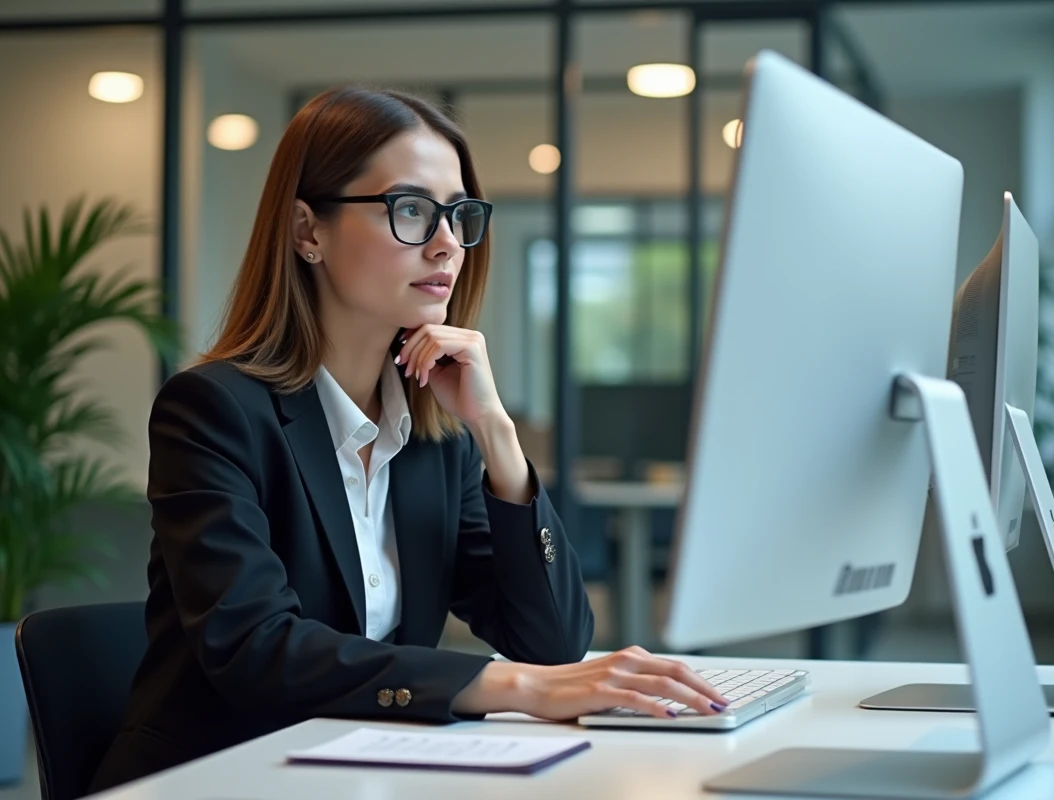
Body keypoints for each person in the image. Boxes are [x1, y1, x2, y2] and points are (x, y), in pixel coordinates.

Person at [91, 86, 727, 792]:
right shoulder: (214, 410)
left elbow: (551, 643)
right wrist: (515, 687)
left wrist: (496, 435)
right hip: (219, 778)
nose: (447, 241)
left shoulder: (433, 438)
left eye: (457, 214)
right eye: (412, 209)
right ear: (308, 231)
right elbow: (257, 649)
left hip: (363, 774)